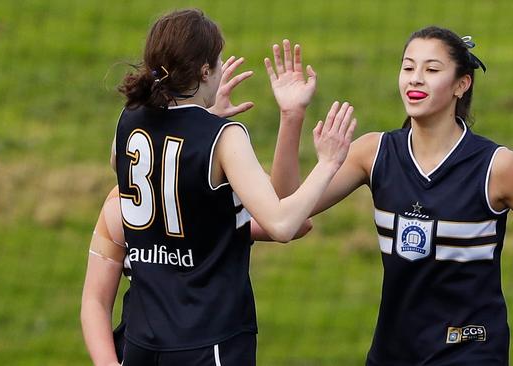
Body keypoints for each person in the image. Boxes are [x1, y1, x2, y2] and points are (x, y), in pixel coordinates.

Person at [268, 26, 513, 366]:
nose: (415, 79)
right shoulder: (374, 152)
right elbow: (285, 208)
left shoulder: (498, 167)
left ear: (461, 84)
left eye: (431, 69)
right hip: (392, 354)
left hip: (470, 350)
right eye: (408, 67)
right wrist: (292, 117)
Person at [82, 8, 356, 366]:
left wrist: (204, 118)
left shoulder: (128, 120)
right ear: (205, 70)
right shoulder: (225, 138)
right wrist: (328, 164)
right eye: (220, 58)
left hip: (141, 341)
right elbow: (285, 223)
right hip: (207, 343)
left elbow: (164, 171)